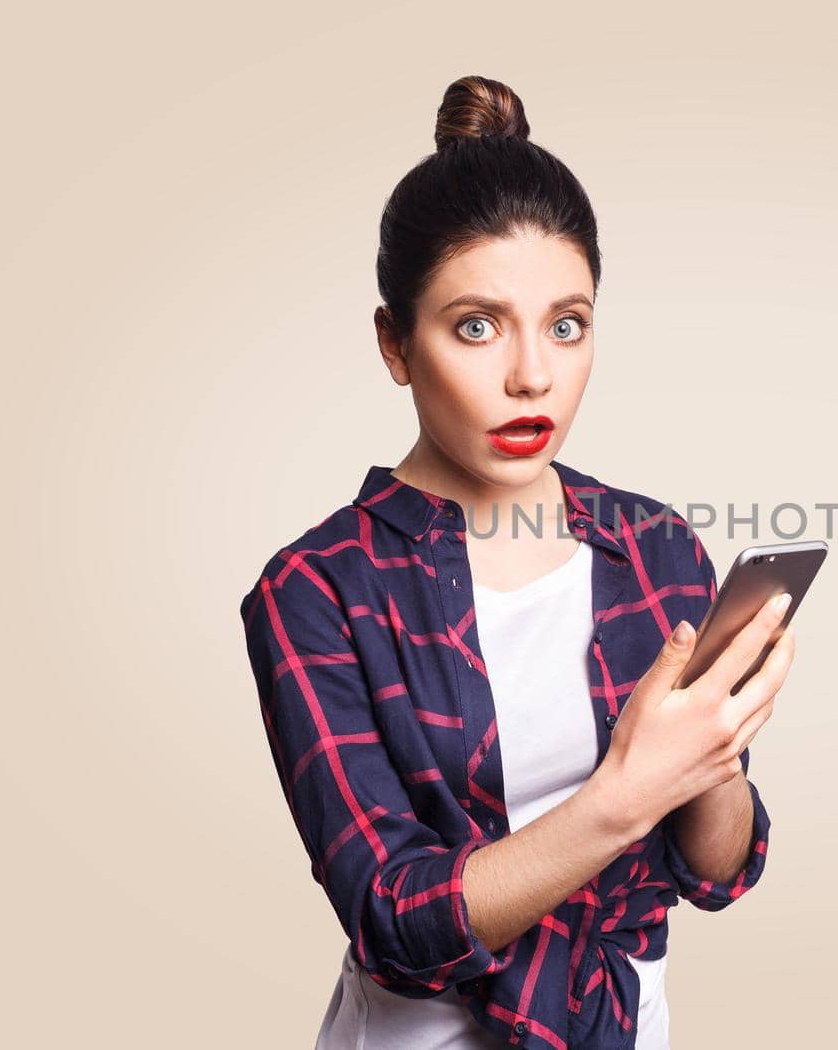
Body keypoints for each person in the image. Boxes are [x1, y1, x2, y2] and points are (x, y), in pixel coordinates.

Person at [238, 74, 793, 1050]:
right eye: (476, 325)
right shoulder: (317, 588)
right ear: (395, 343)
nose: (532, 373)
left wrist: (712, 751)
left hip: (625, 1020)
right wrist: (621, 795)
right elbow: (394, 918)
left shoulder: (657, 546)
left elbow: (715, 872)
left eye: (565, 323)